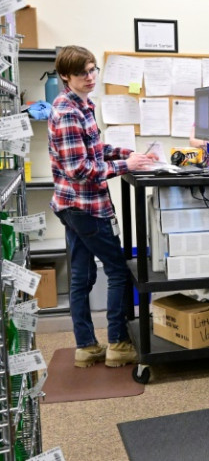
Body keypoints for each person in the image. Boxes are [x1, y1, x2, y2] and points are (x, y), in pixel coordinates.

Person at [48, 45, 156, 368]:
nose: (91, 77)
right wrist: (126, 167)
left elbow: (97, 148)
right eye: (83, 73)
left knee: (81, 276)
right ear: (66, 76)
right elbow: (80, 169)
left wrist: (128, 155)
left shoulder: (83, 105)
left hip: (76, 206)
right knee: (118, 269)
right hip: (85, 207)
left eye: (93, 70)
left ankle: (86, 347)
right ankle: (117, 343)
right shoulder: (66, 111)